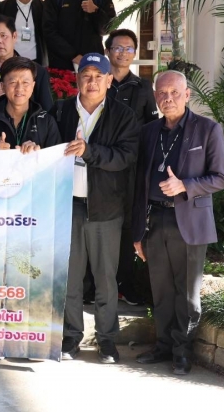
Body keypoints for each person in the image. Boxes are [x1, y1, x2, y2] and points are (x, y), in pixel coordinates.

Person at [132, 71, 224, 375]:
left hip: (189, 219)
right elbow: (139, 184)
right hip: (155, 219)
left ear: (187, 95)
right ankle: (162, 346)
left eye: (175, 92)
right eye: (162, 93)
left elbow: (220, 178)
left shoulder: (208, 129)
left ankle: (182, 352)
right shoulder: (149, 131)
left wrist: (185, 185)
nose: (168, 98)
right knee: (160, 290)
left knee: (186, 294)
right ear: (155, 96)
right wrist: (137, 231)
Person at [53, 53, 139, 364]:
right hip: (68, 205)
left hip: (105, 208)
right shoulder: (61, 110)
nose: (92, 81)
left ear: (109, 79)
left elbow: (125, 157)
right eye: (86, 75)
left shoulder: (123, 115)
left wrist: (90, 152)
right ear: (77, 79)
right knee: (70, 278)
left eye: (98, 75)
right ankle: (70, 338)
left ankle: (107, 341)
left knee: (105, 279)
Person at [105, 28, 158, 307]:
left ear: (134, 54)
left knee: (127, 225)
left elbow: (152, 127)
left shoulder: (143, 87)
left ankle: (123, 283)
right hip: (100, 164)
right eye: (118, 47)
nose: (123, 53)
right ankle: (96, 284)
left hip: (131, 167)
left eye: (128, 49)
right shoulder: (99, 82)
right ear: (108, 51)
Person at [0, 57, 61, 151]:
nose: (19, 88)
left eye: (25, 82)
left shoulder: (46, 122)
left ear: (33, 86)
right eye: (13, 82)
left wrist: (37, 154)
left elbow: (56, 158)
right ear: (3, 86)